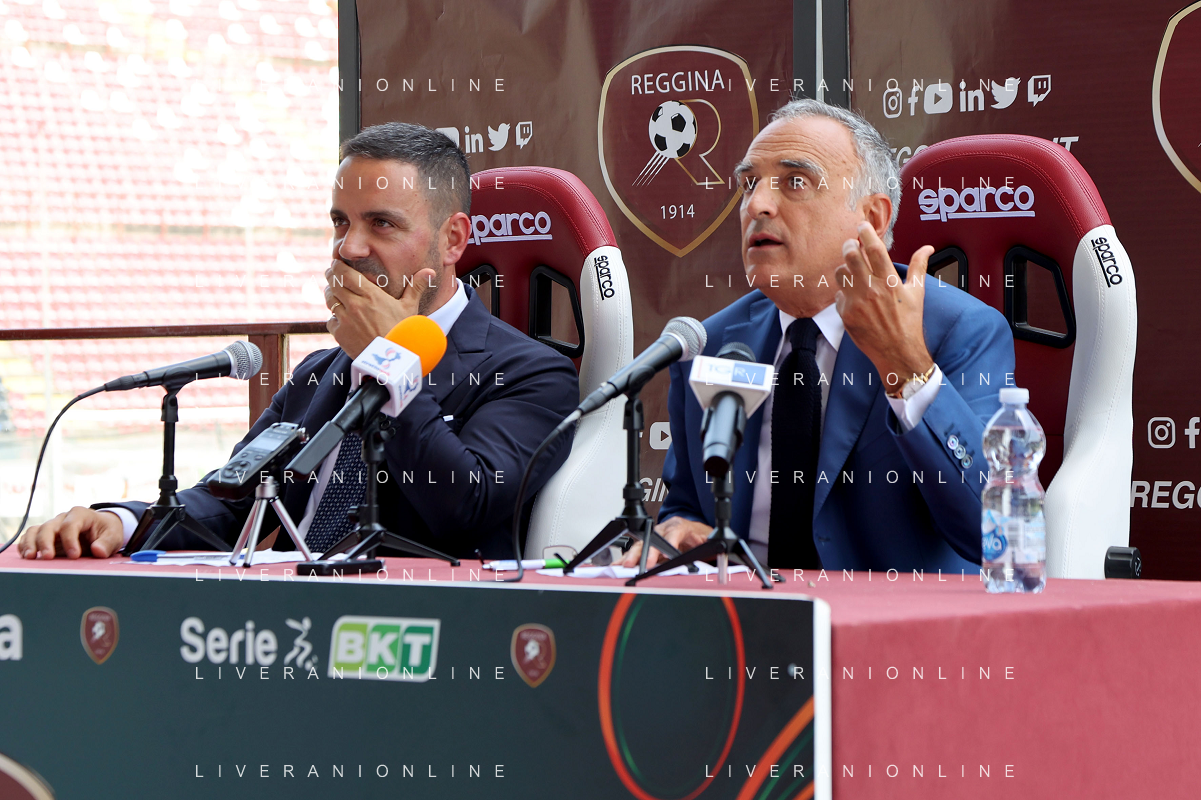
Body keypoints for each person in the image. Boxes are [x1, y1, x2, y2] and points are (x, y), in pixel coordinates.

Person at [18, 122, 580, 561]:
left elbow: (465, 506)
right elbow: (235, 502)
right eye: (341, 222)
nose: (349, 248)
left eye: (381, 224)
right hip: (287, 625)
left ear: (452, 239)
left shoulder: (532, 372)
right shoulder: (321, 371)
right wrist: (122, 522)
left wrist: (391, 358)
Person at [623, 99, 1015, 573]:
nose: (757, 205)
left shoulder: (959, 330)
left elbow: (994, 531)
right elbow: (685, 506)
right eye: (749, 184)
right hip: (744, 610)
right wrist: (679, 529)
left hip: (888, 613)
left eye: (795, 182)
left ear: (872, 219)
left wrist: (907, 365)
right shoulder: (713, 342)